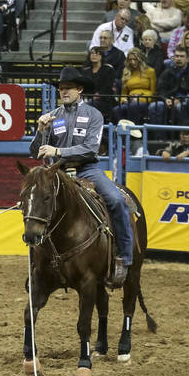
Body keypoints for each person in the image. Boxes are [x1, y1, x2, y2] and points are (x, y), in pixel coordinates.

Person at [30, 67, 134, 287]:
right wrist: (40, 131)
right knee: (36, 204)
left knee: (116, 200)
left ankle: (124, 259)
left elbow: (90, 149)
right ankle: (37, 265)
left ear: (79, 89)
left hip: (88, 169)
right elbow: (34, 152)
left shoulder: (93, 115)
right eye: (61, 89)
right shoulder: (52, 117)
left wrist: (58, 152)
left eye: (68, 88)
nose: (64, 92)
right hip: (58, 173)